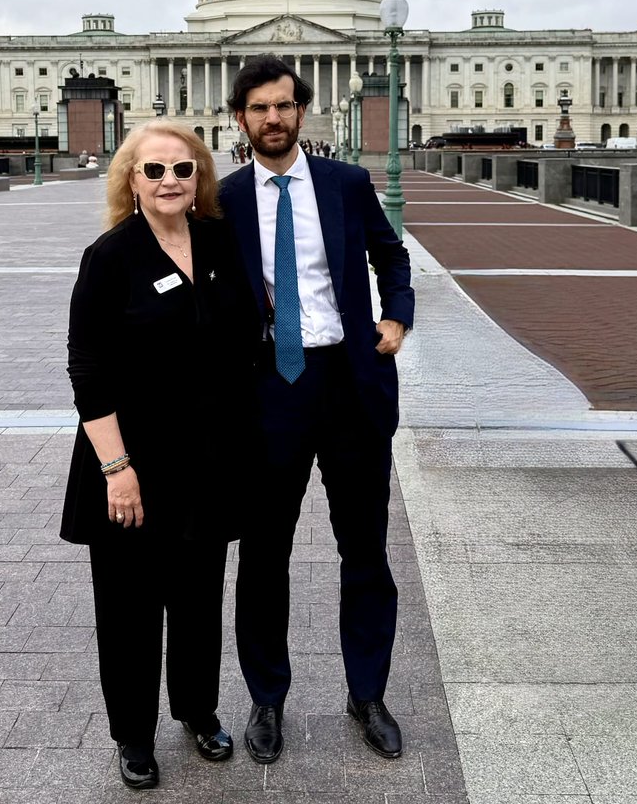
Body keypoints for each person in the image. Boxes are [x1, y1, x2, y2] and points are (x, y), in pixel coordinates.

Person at [218, 55, 415, 764]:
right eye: (258, 108)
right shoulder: (225, 199)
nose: (272, 118)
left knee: (363, 550)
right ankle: (267, 698)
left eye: (283, 105)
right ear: (240, 118)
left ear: (301, 111)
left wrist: (395, 320)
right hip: (270, 388)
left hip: (348, 382)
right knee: (263, 553)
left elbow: (392, 260)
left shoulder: (347, 184)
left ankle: (367, 692)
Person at [60, 120, 254, 791]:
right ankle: (133, 734)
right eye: (154, 170)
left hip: (207, 457)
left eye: (182, 169)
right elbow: (86, 367)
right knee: (129, 606)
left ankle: (197, 710)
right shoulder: (110, 256)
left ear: (199, 177)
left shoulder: (221, 242)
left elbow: (246, 337)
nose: (169, 181)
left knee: (199, 596)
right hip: (132, 459)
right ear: (130, 181)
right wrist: (116, 469)